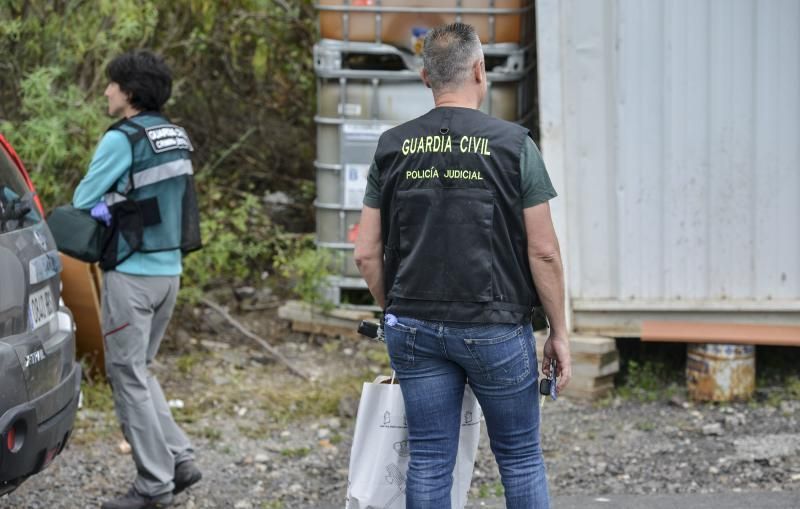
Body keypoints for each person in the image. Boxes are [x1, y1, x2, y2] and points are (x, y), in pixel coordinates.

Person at [354, 23, 572, 509]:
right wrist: (558, 331)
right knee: (519, 456)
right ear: (480, 70)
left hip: (413, 327)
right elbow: (544, 251)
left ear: (424, 77)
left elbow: (365, 252)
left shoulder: (392, 147)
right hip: (494, 327)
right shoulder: (514, 145)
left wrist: (399, 311)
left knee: (430, 458)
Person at [73, 50, 202, 509]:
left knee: (126, 376)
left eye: (112, 85)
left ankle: (153, 485)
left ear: (128, 92)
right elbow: (161, 203)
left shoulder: (122, 138)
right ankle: (180, 459)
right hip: (169, 273)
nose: (106, 91)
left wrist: (109, 204)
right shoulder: (176, 136)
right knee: (140, 371)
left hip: (131, 274)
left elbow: (84, 198)